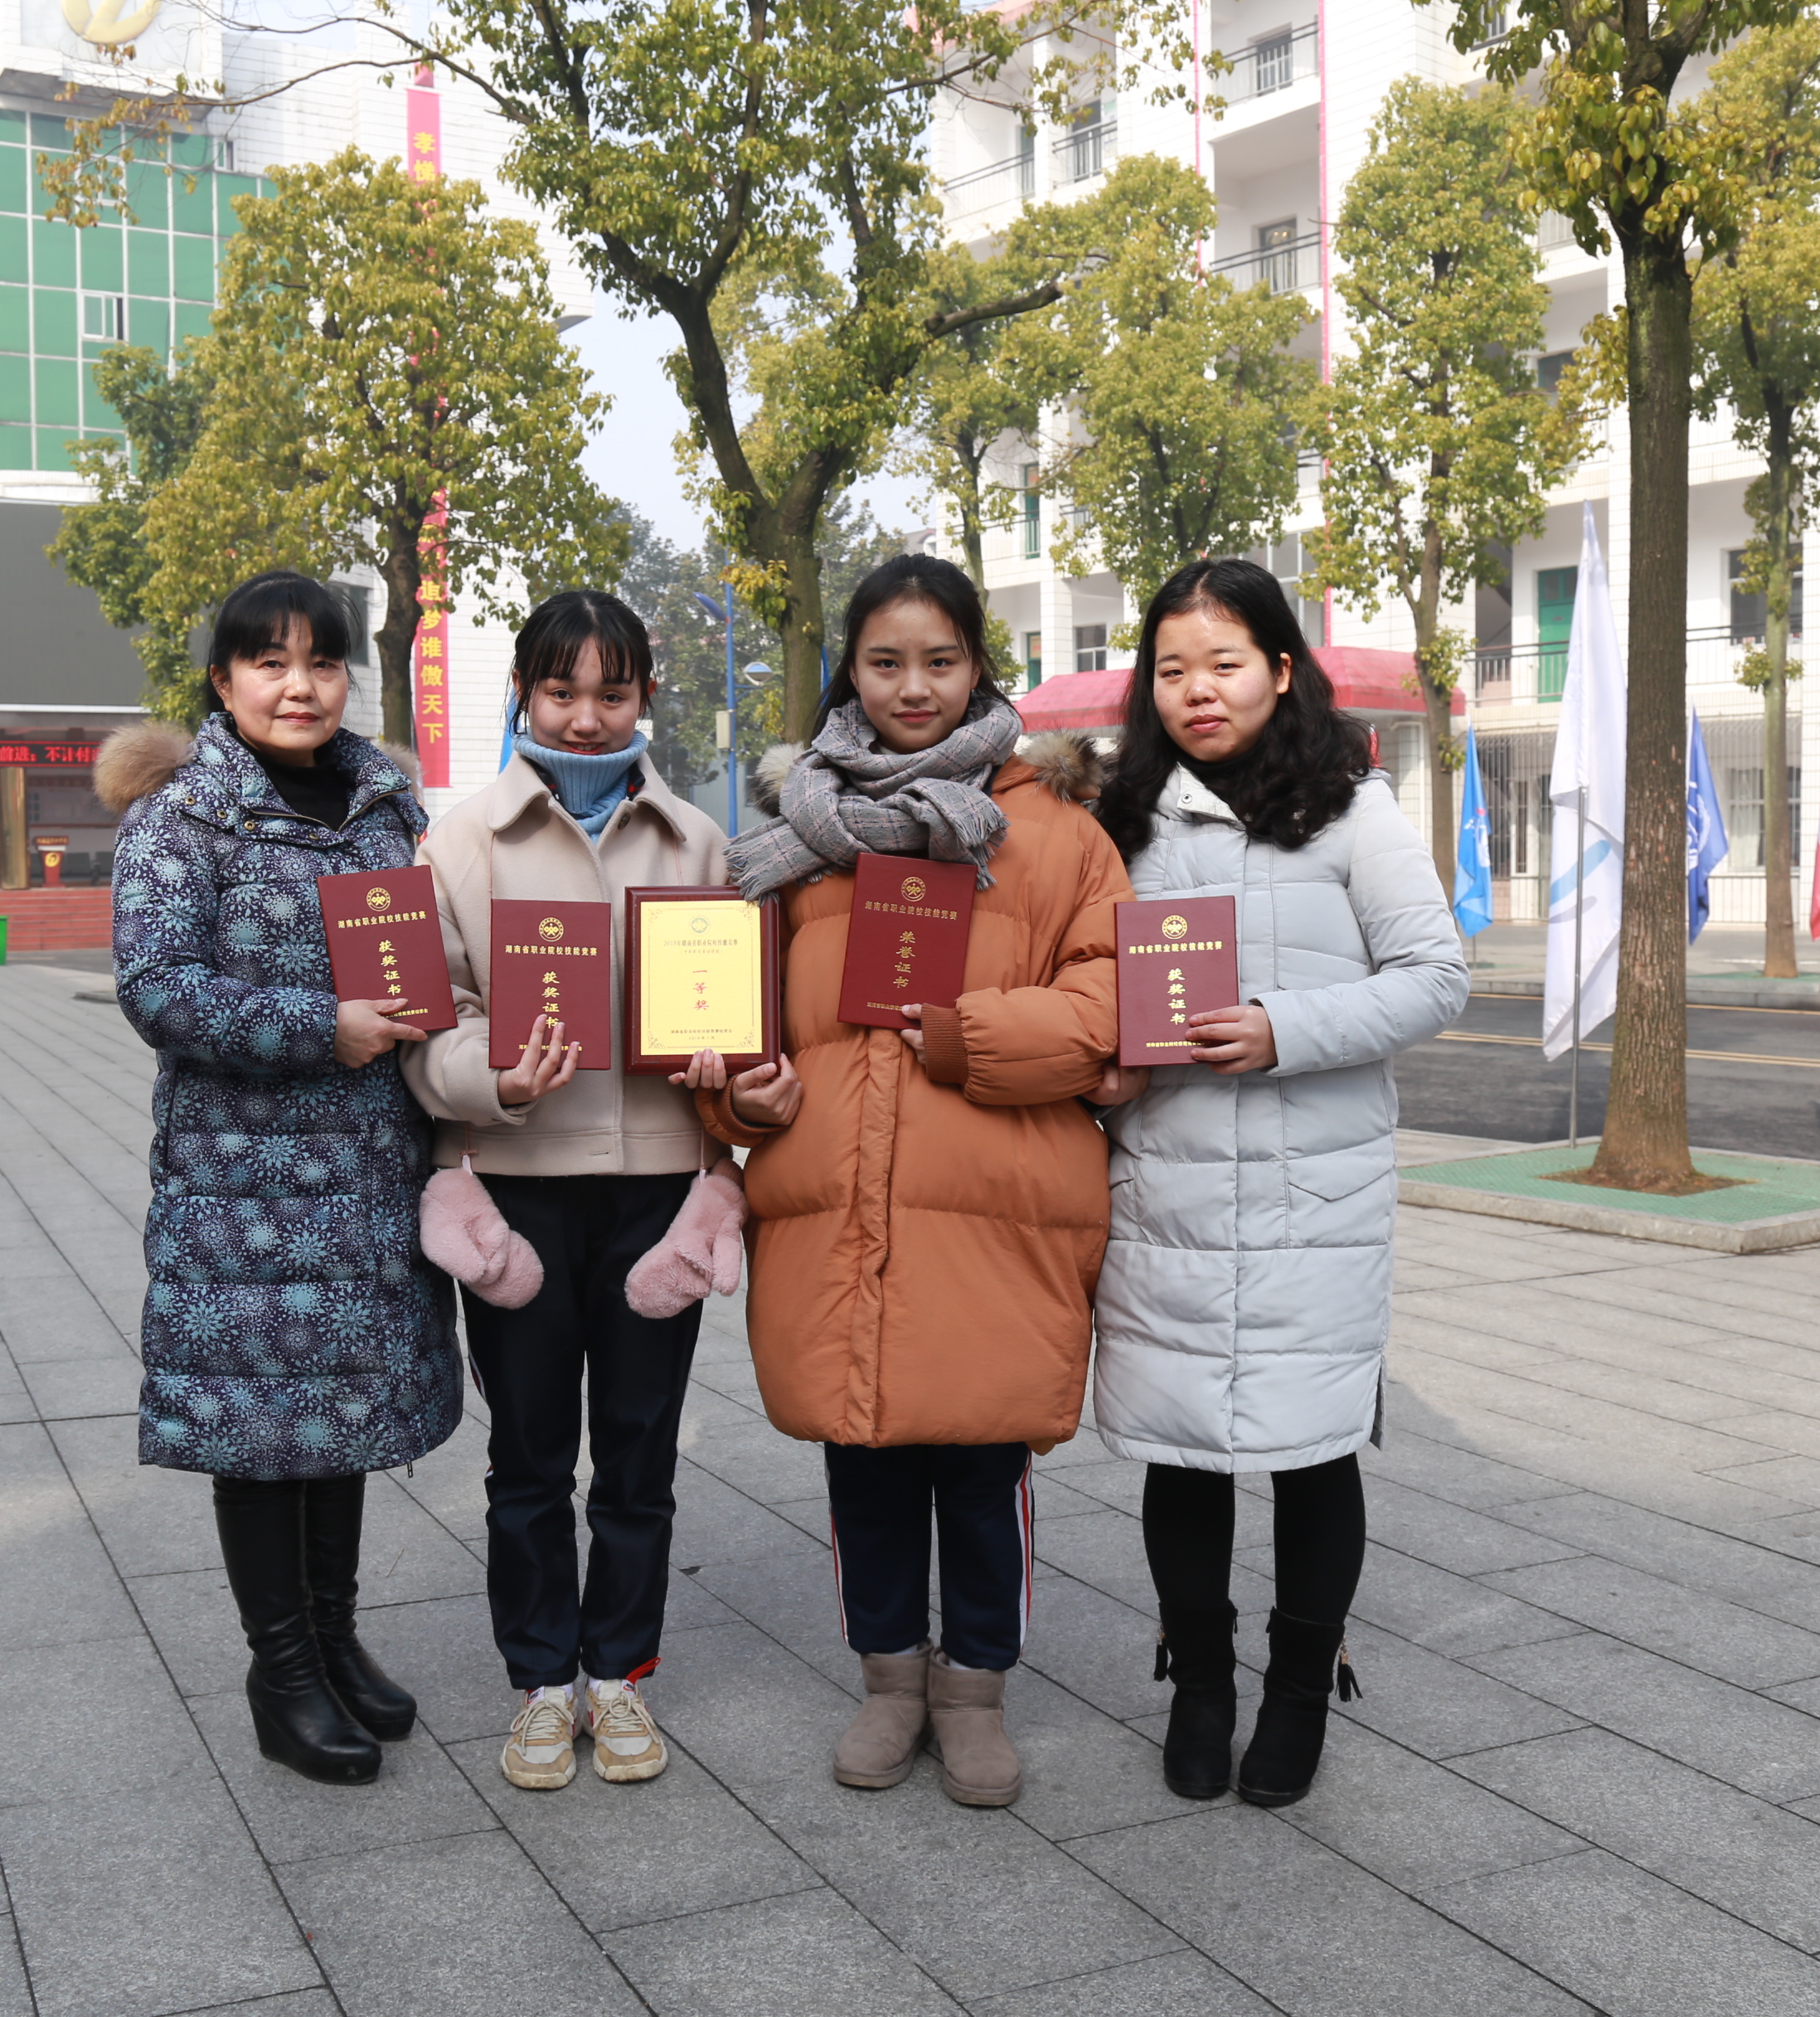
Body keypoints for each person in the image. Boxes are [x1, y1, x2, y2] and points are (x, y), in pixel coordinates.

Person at [696, 554, 1131, 1809]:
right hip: (837, 1214)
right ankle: (892, 1685)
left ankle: (977, 1693)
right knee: (866, 1466)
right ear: (852, 669)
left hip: (996, 1214)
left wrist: (963, 1033)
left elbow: (1107, 1007)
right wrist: (739, 1095)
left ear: (981, 669)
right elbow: (725, 1020)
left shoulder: (1055, 834)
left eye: (941, 661)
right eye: (886, 661)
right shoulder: (792, 848)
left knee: (984, 1473)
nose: (914, 686)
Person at [1088, 556, 1469, 1807]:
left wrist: (1281, 1027)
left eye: (1226, 664)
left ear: (1282, 669)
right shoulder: (1121, 822)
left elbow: (1434, 976)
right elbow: (1086, 988)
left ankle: (1300, 1692)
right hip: (1173, 1199)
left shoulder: (1355, 812)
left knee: (1315, 1455)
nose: (1199, 691)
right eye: (1173, 669)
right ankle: (1201, 1682)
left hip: (1318, 1204)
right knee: (1182, 1453)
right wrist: (1102, 1068)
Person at [99, 569, 459, 1788]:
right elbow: (155, 985)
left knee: (342, 1413)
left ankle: (335, 1638)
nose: (297, 684)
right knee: (263, 1424)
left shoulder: (383, 808)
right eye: (269, 661)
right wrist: (326, 1025)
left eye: (320, 660)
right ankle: (280, 1671)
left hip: (365, 1174)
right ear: (224, 680)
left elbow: (424, 956)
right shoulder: (180, 817)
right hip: (240, 1192)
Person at [400, 591, 734, 1792]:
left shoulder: (697, 841)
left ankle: (622, 1676)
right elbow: (419, 1034)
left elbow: (730, 1015)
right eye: (562, 690)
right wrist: (489, 1078)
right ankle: (542, 1680)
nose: (588, 717)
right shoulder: (459, 840)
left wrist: (728, 1069)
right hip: (516, 1193)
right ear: (523, 697)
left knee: (640, 1457)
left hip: (656, 1194)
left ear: (647, 696)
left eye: (615, 691)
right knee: (531, 1461)